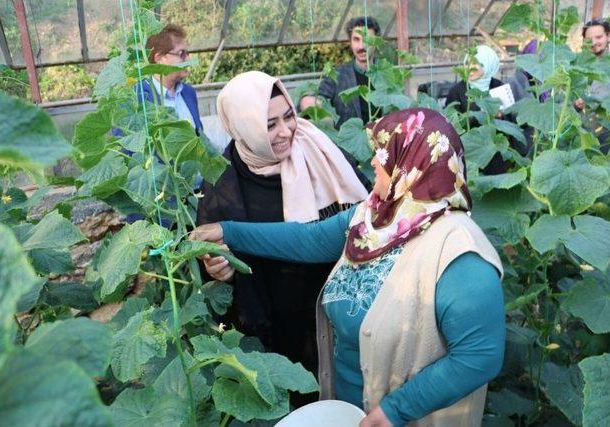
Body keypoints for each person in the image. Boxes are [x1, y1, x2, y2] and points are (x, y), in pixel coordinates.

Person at [192, 108, 505, 426]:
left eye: (382, 155)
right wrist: (226, 231)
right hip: (346, 407)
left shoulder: (460, 252)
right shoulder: (374, 217)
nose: (372, 164)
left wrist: (397, 410)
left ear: (412, 165)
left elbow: (479, 355)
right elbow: (308, 239)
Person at [196, 71, 368, 403]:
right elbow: (211, 254)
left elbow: (355, 218)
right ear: (243, 128)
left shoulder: (319, 150)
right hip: (272, 312)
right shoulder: (223, 179)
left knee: (337, 396)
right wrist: (217, 267)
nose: (286, 130)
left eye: (288, 116)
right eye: (269, 124)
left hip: (329, 304)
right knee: (288, 399)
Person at [446, 44, 526, 173]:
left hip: (496, 151)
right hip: (469, 152)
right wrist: (482, 115)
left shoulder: (499, 86)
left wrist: (501, 117)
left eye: (477, 64)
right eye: (468, 63)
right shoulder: (457, 91)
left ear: (489, 65)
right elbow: (452, 125)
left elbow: (512, 122)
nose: (470, 68)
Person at [300, 16, 381, 128]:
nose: (362, 46)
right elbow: (316, 98)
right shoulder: (337, 75)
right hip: (347, 144)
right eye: (356, 39)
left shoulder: (387, 75)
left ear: (376, 41)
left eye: (367, 39)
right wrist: (310, 101)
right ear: (350, 42)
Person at [138, 24, 203, 133]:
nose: (188, 59)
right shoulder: (139, 97)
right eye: (181, 53)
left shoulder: (188, 92)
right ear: (160, 58)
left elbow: (200, 137)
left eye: (187, 53)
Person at [575, 18, 610, 153]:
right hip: (582, 128)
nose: (594, 42)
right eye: (589, 39)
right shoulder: (577, 64)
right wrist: (575, 103)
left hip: (606, 129)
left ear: (608, 36)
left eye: (599, 37)